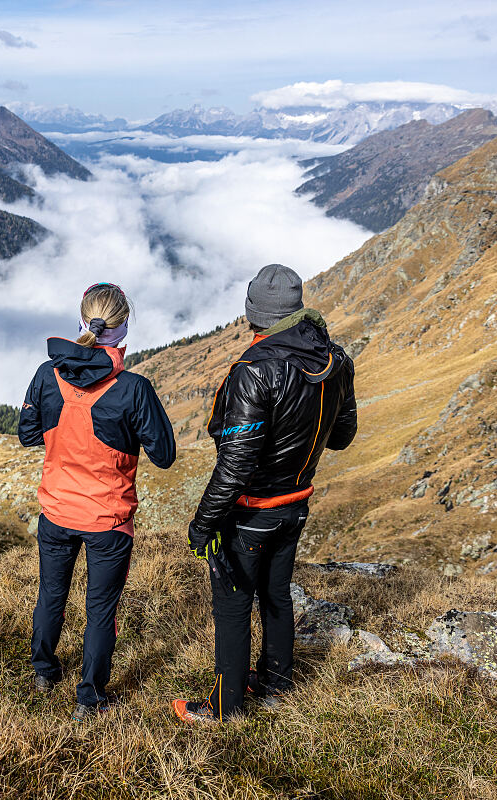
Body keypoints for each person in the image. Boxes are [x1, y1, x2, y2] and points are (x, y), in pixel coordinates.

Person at [172, 263, 357, 723]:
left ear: (253, 313)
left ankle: (224, 709)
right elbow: (342, 436)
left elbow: (235, 467)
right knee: (277, 594)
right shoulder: (336, 359)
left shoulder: (254, 371)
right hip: (296, 503)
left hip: (252, 511)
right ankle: (276, 685)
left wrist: (203, 525)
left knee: (233, 603)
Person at [18, 282, 176, 721]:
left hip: (56, 510)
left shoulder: (45, 375)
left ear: (82, 320)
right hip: (107, 520)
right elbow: (164, 455)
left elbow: (28, 434)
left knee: (51, 594)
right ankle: (89, 698)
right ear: (124, 328)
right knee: (101, 610)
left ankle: (44, 671)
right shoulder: (133, 388)